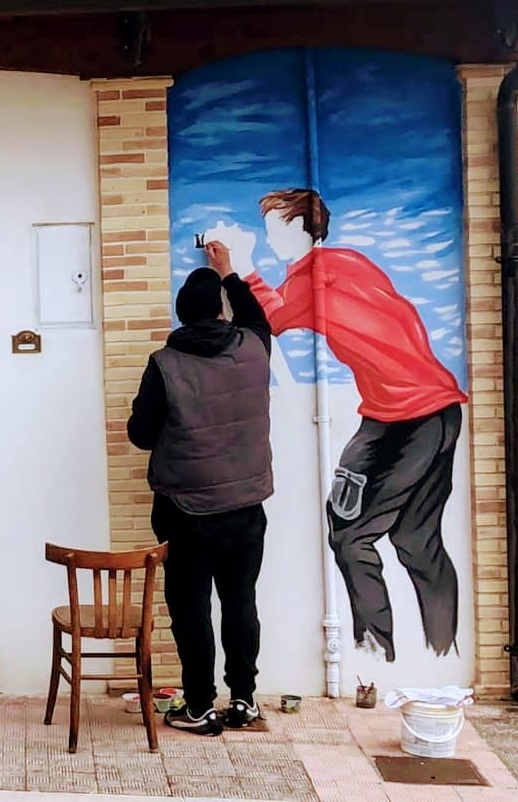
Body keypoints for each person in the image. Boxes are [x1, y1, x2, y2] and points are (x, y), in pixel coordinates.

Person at [207, 188, 466, 662]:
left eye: (274, 228)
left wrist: (238, 266)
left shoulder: (319, 276)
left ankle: (374, 656)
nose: (268, 237)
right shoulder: (343, 264)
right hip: (425, 410)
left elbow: (274, 319)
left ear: (300, 228)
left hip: (409, 417)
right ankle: (439, 651)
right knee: (415, 541)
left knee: (351, 535)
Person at [127, 240, 274, 736]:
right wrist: (228, 271)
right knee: (240, 603)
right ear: (220, 311)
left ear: (181, 315)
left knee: (191, 609)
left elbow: (141, 435)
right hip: (245, 506)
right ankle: (244, 700)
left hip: (185, 509)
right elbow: (256, 316)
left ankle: (198, 707)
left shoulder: (164, 363)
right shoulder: (254, 347)